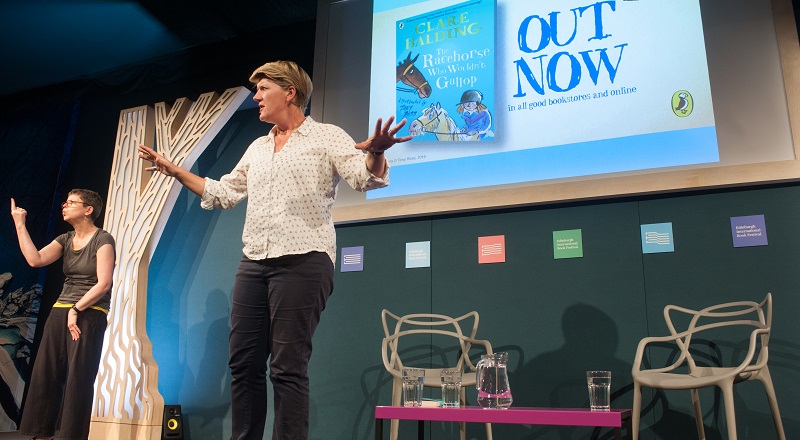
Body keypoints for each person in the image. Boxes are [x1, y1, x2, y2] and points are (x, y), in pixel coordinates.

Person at [137, 60, 412, 440]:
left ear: (290, 93)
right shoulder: (257, 147)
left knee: (287, 367)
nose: (256, 97)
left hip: (304, 261)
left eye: (263, 88)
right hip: (254, 263)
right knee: (243, 363)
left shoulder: (327, 136)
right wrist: (175, 170)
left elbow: (363, 177)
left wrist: (377, 152)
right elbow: (224, 192)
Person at [11, 190, 116, 440]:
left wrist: (76, 309)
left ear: (88, 209)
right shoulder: (65, 238)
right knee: (45, 373)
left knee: (79, 376)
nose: (65, 206)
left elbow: (104, 283)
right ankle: (40, 434)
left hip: (90, 312)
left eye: (71, 203)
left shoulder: (103, 239)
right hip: (61, 310)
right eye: (65, 202)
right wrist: (20, 224)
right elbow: (35, 260)